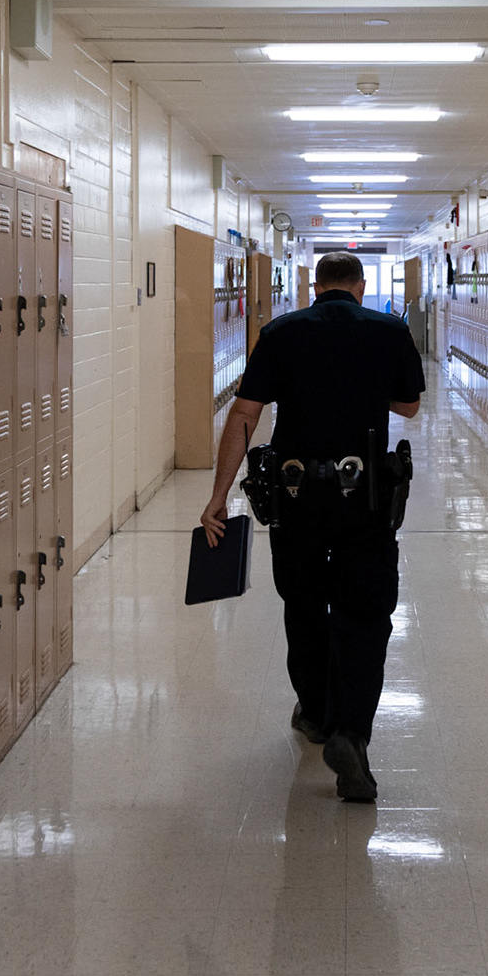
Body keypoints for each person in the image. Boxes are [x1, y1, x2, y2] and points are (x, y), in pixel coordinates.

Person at [200, 251, 424, 802]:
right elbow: (410, 406)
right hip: (365, 497)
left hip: (297, 496)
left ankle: (318, 714)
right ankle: (351, 731)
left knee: (302, 600)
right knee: (365, 610)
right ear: (361, 285)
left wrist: (218, 496)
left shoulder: (281, 332)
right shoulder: (387, 330)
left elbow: (245, 415)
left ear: (315, 286)